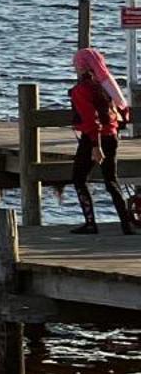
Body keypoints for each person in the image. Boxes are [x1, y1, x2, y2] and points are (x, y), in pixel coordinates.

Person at [69, 47, 134, 235]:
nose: (74, 67)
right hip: (112, 136)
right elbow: (119, 113)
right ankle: (126, 224)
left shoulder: (82, 89)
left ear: (82, 67)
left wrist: (95, 146)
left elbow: (91, 120)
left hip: (93, 139)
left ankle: (90, 223)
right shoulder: (107, 86)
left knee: (79, 178)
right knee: (111, 180)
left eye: (76, 64)